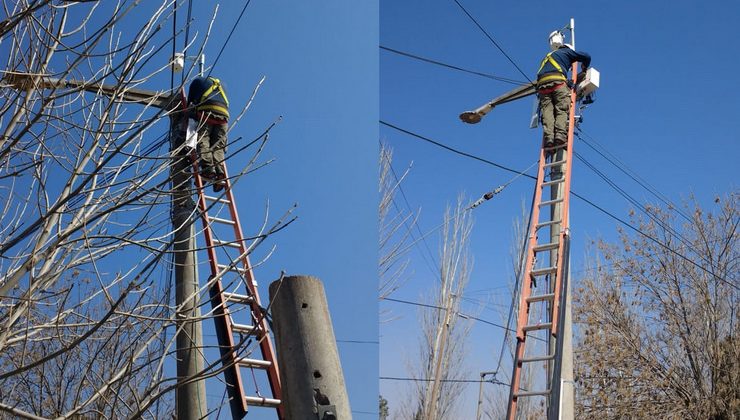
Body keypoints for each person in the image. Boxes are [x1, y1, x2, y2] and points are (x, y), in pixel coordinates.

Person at [536, 31, 591, 148]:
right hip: (557, 83)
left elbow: (548, 73)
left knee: (548, 112)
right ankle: (560, 135)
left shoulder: (547, 57)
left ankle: (549, 138)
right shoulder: (567, 52)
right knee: (561, 109)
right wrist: (584, 68)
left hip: (542, 86)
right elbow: (586, 56)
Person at [187, 76, 230, 191]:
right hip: (223, 116)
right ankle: (220, 173)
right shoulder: (222, 84)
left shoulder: (196, 82)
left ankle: (208, 170)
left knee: (203, 140)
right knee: (218, 146)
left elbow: (189, 104)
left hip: (207, 112)